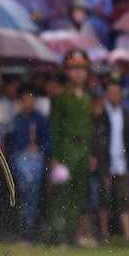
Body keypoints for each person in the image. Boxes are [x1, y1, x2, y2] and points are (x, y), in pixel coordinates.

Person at [48, 49, 94, 246]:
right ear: (66, 71)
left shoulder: (87, 97)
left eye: (82, 69)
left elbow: (89, 127)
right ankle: (59, 235)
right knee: (62, 192)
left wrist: (91, 153)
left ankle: (71, 234)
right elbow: (55, 128)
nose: (78, 73)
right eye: (74, 69)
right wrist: (55, 156)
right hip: (66, 147)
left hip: (84, 148)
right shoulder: (60, 96)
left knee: (78, 192)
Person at [8, 84, 50, 244]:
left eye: (30, 99)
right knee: (20, 194)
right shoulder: (18, 118)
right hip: (19, 159)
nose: (28, 102)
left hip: (35, 160)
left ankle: (29, 231)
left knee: (32, 196)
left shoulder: (40, 119)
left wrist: (38, 147)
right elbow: (12, 141)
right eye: (25, 99)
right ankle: (18, 231)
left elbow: (47, 141)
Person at [95, 78, 129, 243]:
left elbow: (128, 137)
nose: (114, 96)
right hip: (105, 160)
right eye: (111, 92)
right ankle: (103, 234)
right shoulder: (100, 112)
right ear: (105, 94)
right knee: (103, 198)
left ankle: (128, 234)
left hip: (121, 160)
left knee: (123, 197)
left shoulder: (124, 113)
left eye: (117, 93)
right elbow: (98, 139)